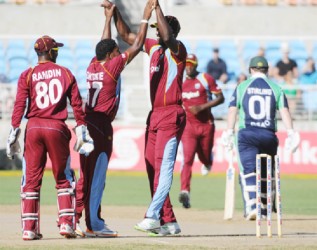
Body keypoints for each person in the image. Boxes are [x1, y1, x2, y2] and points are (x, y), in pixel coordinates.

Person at [74, 0, 154, 238]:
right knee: (97, 176)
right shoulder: (112, 67)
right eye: (116, 52)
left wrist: (108, 19)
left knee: (85, 176)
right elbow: (138, 44)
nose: (120, 54)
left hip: (87, 122)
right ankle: (94, 224)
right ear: (111, 56)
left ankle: (75, 218)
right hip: (100, 125)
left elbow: (103, 45)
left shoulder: (93, 64)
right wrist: (145, 18)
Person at [6, 35, 94, 240]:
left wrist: (14, 131)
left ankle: (29, 229)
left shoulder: (27, 74)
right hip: (57, 126)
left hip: (34, 127)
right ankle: (66, 224)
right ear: (52, 52)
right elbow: (77, 105)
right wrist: (82, 128)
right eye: (56, 50)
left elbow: (19, 105)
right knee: (63, 177)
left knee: (31, 179)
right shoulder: (65, 72)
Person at [111, 0, 187, 236]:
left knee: (163, 169)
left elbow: (167, 34)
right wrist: (115, 12)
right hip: (154, 115)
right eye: (154, 29)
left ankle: (152, 216)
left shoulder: (179, 50)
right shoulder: (153, 47)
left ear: (171, 30)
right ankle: (169, 221)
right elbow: (125, 34)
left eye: (159, 28)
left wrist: (156, 8)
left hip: (171, 114)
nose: (156, 32)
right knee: (153, 169)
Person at [221, 56, 300, 220]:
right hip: (268, 135)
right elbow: (284, 111)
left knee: (248, 170)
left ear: (251, 70)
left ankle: (252, 206)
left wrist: (228, 131)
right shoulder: (276, 88)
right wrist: (291, 133)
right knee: (266, 171)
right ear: (267, 70)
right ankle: (265, 207)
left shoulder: (242, 86)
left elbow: (232, 110)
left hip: (247, 134)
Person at [179, 53, 224, 209]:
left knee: (204, 156)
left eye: (191, 64)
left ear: (196, 65)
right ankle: (185, 191)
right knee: (187, 159)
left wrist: (202, 107)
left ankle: (208, 160)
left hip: (206, 125)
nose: (188, 67)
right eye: (186, 64)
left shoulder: (206, 78)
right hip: (188, 127)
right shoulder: (179, 80)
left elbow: (221, 98)